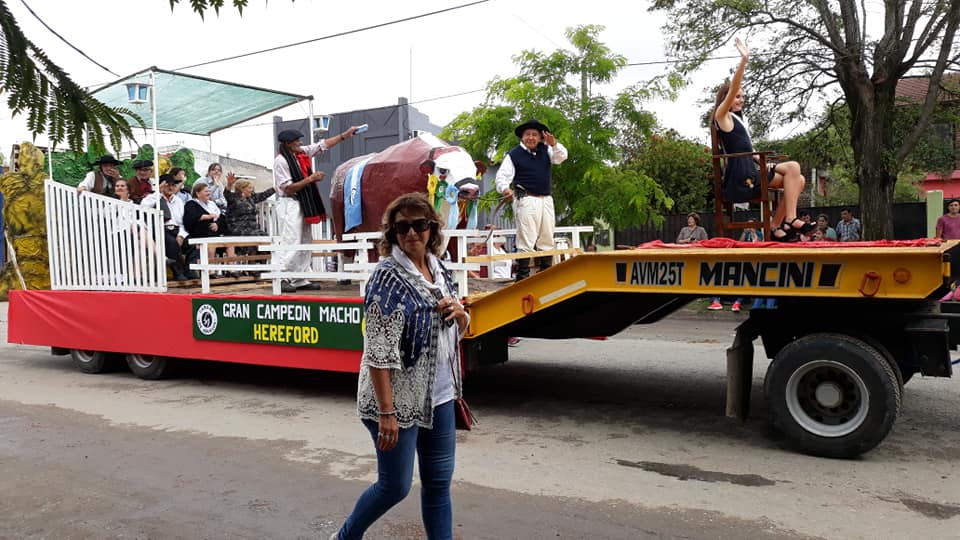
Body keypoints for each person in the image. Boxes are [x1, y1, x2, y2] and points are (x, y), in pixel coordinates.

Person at [333, 193, 469, 540]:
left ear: (432, 228)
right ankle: (345, 537)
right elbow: (377, 352)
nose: (411, 233)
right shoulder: (387, 278)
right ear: (392, 233)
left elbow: (456, 330)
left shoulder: (439, 268)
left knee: (438, 484)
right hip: (395, 400)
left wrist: (461, 314)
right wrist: (387, 413)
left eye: (419, 225)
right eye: (402, 226)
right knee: (394, 487)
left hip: (439, 396)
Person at [714, 38, 813, 242]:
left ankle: (777, 225)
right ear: (727, 99)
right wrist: (744, 60)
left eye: (743, 97)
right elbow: (733, 87)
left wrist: (761, 161)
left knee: (798, 178)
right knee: (794, 168)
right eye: (737, 96)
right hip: (741, 178)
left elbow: (745, 151)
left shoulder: (738, 121)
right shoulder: (722, 117)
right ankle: (790, 220)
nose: (741, 99)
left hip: (752, 169)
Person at [273, 127, 358, 293]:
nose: (301, 143)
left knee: (305, 240)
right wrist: (310, 179)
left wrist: (344, 135)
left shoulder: (299, 154)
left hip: (303, 202)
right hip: (289, 203)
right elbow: (288, 188)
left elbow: (322, 145)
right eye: (297, 141)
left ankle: (299, 278)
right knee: (291, 240)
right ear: (288, 144)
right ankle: (282, 277)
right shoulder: (281, 161)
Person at [494, 119, 568, 281]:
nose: (531, 138)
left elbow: (561, 157)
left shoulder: (546, 150)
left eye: (534, 135)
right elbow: (502, 176)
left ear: (541, 137)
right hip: (526, 198)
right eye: (527, 134)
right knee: (526, 238)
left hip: (546, 199)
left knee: (547, 236)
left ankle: (546, 275)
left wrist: (554, 144)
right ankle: (523, 277)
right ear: (522, 137)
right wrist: (505, 189)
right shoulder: (514, 154)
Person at [141, 174, 191, 280]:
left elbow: (182, 222)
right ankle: (178, 272)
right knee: (171, 242)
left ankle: (190, 271)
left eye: (173, 185)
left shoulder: (178, 200)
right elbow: (143, 206)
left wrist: (181, 235)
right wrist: (158, 192)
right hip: (161, 230)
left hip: (177, 230)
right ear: (161, 185)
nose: (170, 187)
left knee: (193, 243)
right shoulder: (154, 197)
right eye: (167, 185)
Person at [184, 182, 236, 266]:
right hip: (200, 233)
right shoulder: (191, 204)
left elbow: (220, 216)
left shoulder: (212, 204)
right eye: (206, 191)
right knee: (211, 244)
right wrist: (208, 217)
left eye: (208, 191)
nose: (208, 193)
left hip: (215, 233)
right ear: (198, 193)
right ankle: (211, 270)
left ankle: (231, 269)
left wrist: (217, 224)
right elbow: (192, 218)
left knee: (230, 243)